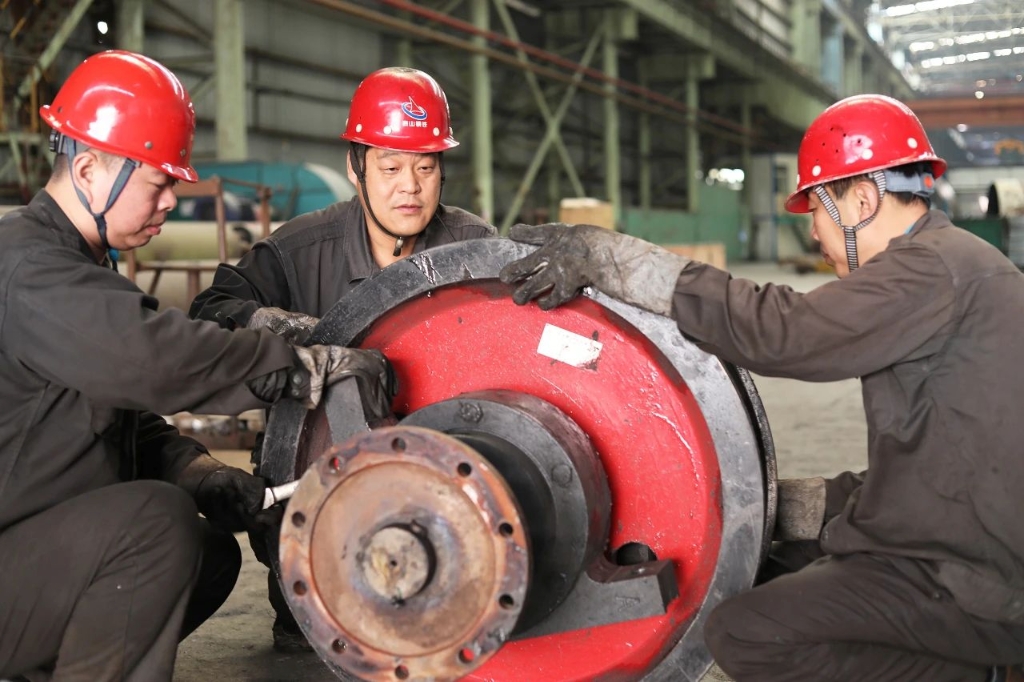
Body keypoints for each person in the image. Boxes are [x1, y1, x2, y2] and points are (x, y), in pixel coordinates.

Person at [498, 94, 1024, 682]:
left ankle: (974, 673)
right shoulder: (955, 265)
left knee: (744, 633)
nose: (815, 233)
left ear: (862, 200)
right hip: (959, 544)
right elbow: (941, 455)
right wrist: (811, 504)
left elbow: (787, 333)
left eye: (816, 211)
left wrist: (617, 261)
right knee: (750, 569)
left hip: (968, 578)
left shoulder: (929, 270)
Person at [0, 50, 394, 682]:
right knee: (158, 528)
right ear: (90, 169)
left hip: (27, 548)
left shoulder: (76, 265)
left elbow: (114, 422)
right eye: (158, 183)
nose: (169, 202)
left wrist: (201, 473)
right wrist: (294, 366)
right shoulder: (28, 268)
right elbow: (155, 360)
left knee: (208, 553)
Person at [189, 66, 495, 651]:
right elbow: (211, 312)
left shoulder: (472, 249)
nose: (410, 188)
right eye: (390, 168)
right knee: (315, 639)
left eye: (425, 168)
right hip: (321, 492)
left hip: (449, 484)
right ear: (356, 168)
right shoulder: (300, 251)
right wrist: (299, 336)